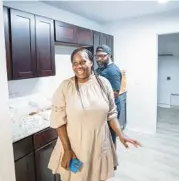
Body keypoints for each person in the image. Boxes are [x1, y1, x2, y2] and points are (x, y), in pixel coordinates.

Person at [48, 47, 141, 181]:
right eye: (74, 63)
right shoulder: (65, 87)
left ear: (91, 62)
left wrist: (121, 134)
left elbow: (111, 114)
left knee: (98, 176)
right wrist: (67, 150)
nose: (78, 66)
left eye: (82, 61)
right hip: (75, 147)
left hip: (100, 144)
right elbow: (59, 122)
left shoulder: (104, 84)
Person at [95, 45, 122, 148]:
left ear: (109, 55)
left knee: (110, 135)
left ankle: (112, 162)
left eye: (102, 56)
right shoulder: (101, 68)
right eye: (97, 56)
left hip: (111, 108)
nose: (99, 59)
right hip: (103, 108)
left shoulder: (112, 71)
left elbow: (115, 93)